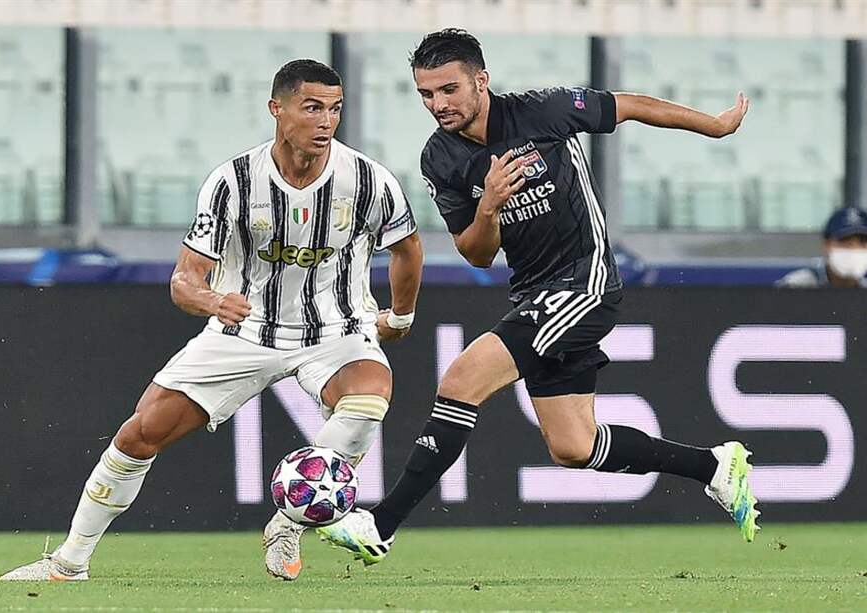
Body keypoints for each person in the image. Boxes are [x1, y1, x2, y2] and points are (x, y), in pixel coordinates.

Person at [317, 28, 759, 566]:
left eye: (449, 89)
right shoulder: (440, 159)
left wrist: (714, 127)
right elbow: (476, 254)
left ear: (481, 80)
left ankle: (380, 524)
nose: (439, 104)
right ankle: (714, 467)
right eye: (426, 94)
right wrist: (490, 206)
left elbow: (631, 105)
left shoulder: (543, 111)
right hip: (532, 291)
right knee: (573, 445)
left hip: (585, 282)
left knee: (461, 380)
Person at [0, 59, 423, 582]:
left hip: (335, 331)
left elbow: (407, 248)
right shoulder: (232, 182)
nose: (326, 121)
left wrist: (400, 315)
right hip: (243, 331)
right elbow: (184, 279)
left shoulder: (367, 179)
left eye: (334, 109)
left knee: (368, 397)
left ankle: (287, 522)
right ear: (277, 109)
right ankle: (70, 562)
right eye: (312, 108)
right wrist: (210, 301)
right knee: (140, 434)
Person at [776, 206, 867, 288]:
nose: (854, 249)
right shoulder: (796, 287)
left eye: (863, 243)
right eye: (845, 242)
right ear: (826, 245)